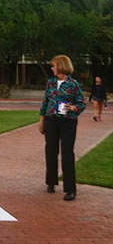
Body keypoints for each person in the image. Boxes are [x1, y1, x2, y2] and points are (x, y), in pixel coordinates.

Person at [38, 55, 85, 201]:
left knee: (67, 153)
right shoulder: (51, 83)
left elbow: (82, 103)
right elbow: (45, 102)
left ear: (61, 66)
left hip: (68, 121)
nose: (52, 68)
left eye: (53, 65)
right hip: (51, 120)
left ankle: (70, 189)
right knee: (51, 150)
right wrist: (42, 121)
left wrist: (72, 107)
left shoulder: (74, 84)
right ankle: (51, 182)